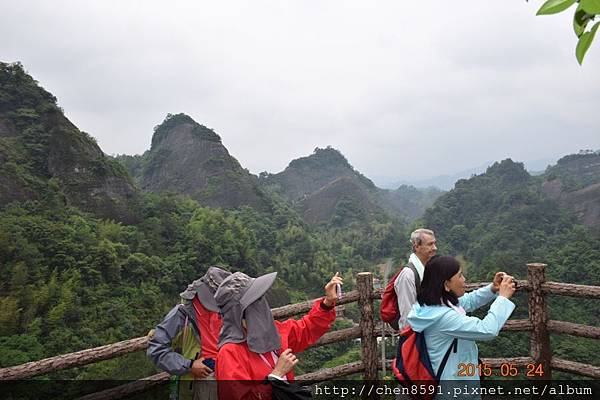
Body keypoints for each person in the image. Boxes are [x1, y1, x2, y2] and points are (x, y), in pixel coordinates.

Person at [215, 271, 342, 400]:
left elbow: (306, 329)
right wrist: (276, 376)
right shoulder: (230, 353)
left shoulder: (272, 331)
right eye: (256, 300)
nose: (262, 304)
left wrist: (327, 303)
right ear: (240, 312)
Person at [406, 256, 516, 398]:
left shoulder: (432, 304)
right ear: (446, 284)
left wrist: (492, 289)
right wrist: (502, 298)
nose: (464, 280)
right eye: (460, 276)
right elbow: (487, 330)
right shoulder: (444, 317)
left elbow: (467, 301)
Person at [147, 266, 231, 400]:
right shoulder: (182, 314)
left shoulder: (227, 309)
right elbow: (156, 348)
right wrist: (190, 365)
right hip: (200, 382)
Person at [394, 228, 437, 329]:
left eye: (434, 243)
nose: (435, 248)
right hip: (416, 335)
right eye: (430, 244)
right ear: (417, 247)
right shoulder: (408, 275)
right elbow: (407, 314)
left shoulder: (429, 269)